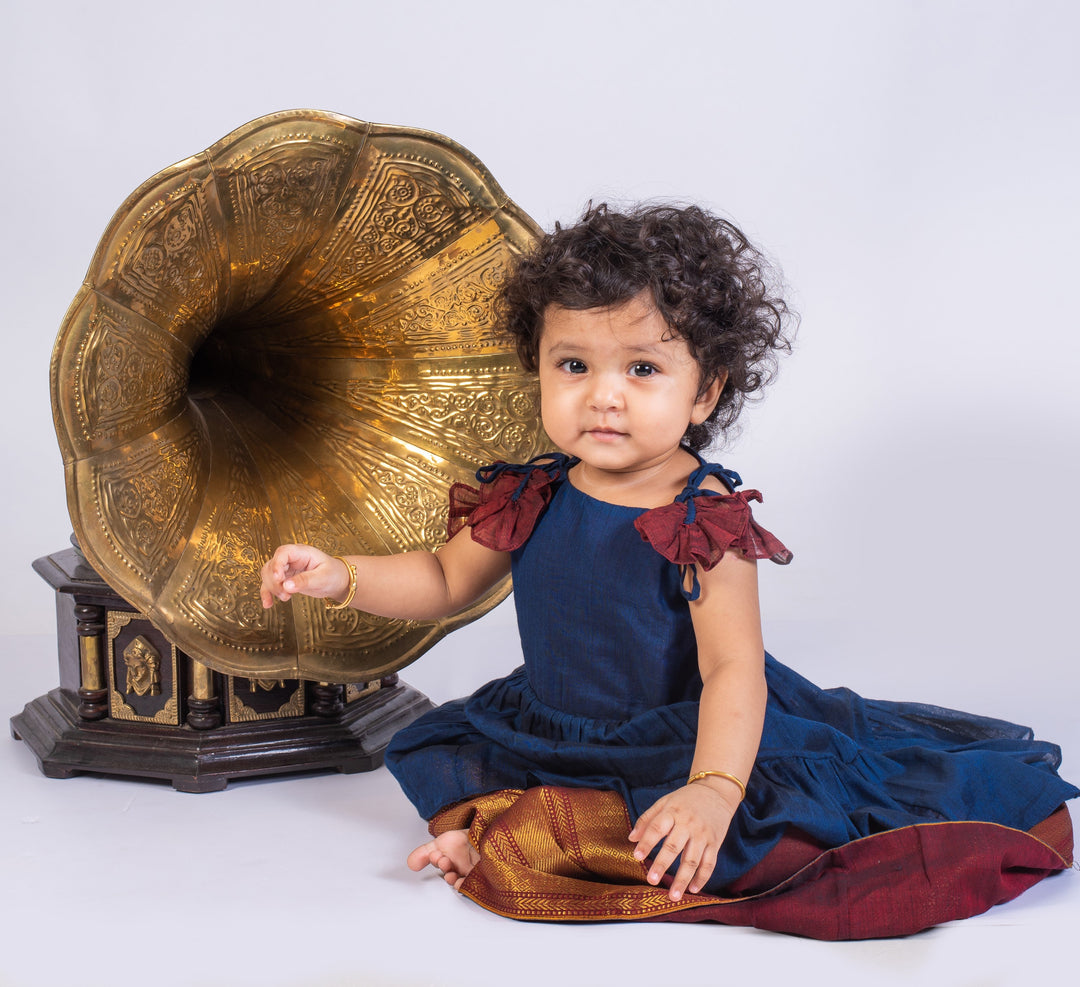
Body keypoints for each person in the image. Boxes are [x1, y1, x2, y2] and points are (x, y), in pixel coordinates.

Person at [259, 203, 1077, 939]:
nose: (604, 397)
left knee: (732, 844)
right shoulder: (533, 490)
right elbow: (443, 581)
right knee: (442, 749)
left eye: (642, 369)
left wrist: (716, 789)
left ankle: (520, 837)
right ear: (537, 367)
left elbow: (732, 667)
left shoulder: (702, 516)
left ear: (705, 390)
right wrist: (343, 576)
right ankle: (508, 831)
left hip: (682, 735)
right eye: (573, 365)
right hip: (550, 722)